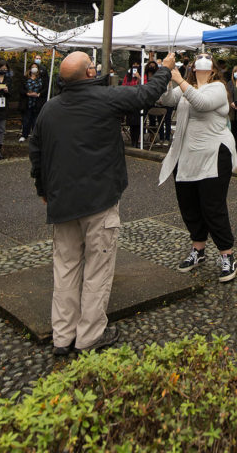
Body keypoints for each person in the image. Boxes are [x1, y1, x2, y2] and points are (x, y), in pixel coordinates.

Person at [29, 50, 174, 355]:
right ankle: (89, 337)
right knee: (97, 268)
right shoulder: (106, 99)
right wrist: (165, 69)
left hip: (62, 203)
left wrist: (43, 189)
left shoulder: (49, 109)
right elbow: (147, 94)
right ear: (90, 74)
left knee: (65, 268)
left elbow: (36, 153)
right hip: (99, 201)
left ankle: (62, 337)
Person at [158, 53, 237, 282]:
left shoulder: (218, 88)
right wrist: (166, 76)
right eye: (196, 64)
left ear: (212, 70)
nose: (200, 66)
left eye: (206, 63)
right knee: (189, 204)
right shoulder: (186, 88)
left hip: (213, 155)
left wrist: (178, 79)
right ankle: (198, 249)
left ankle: (227, 254)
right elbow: (166, 99)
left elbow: (201, 104)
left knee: (212, 206)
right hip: (185, 155)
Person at [20, 64, 44, 142]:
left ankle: (35, 136)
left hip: (37, 102)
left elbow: (44, 88)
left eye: (36, 67)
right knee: (26, 120)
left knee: (36, 120)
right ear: (30, 69)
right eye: (33, 67)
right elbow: (21, 89)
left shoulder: (40, 78)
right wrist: (28, 93)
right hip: (27, 102)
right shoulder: (25, 78)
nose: (34, 69)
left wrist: (39, 94)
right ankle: (24, 135)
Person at [121, 59, 143, 146]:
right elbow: (124, 86)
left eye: (137, 64)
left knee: (137, 123)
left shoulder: (142, 74)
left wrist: (139, 78)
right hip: (130, 101)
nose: (135, 66)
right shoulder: (128, 76)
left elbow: (145, 86)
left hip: (138, 102)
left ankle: (136, 141)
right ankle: (132, 141)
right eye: (134, 64)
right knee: (131, 123)